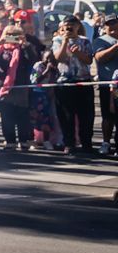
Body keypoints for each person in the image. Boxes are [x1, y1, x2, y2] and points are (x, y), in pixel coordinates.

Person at [51, 16, 95, 155]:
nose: (68, 28)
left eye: (71, 26)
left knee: (86, 116)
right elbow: (59, 58)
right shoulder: (57, 40)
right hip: (65, 83)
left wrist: (78, 52)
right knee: (66, 116)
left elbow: (88, 60)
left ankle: (86, 143)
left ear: (77, 26)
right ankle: (69, 143)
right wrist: (65, 41)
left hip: (83, 81)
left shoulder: (85, 41)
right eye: (65, 26)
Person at [0, 24, 35, 151]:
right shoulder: (0, 49)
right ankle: (10, 140)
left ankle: (23, 140)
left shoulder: (23, 48)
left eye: (14, 35)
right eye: (9, 35)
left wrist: (25, 44)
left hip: (20, 86)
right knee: (6, 115)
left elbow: (33, 59)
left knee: (23, 116)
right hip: (3, 87)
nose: (12, 38)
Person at [92, 16, 118, 158]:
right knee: (108, 115)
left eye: (115, 24)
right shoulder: (100, 41)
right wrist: (115, 47)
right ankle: (106, 143)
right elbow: (99, 57)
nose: (112, 28)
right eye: (109, 25)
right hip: (107, 85)